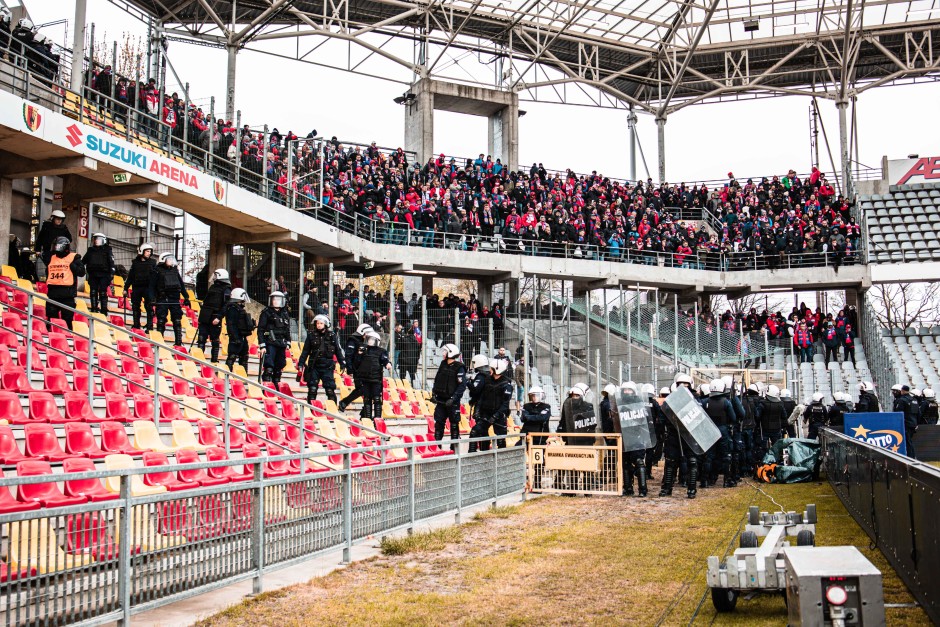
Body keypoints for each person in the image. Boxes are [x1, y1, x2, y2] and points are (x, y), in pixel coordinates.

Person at [298, 313, 346, 405]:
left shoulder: (332, 336)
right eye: (317, 323)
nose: (319, 325)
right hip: (314, 366)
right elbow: (305, 351)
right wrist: (301, 363)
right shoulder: (311, 336)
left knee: (330, 390)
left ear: (325, 324)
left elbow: (338, 351)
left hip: (327, 366)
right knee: (312, 389)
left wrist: (342, 363)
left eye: (321, 323)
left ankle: (332, 410)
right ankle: (311, 409)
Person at [469, 358, 513, 452]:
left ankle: (501, 460)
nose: (490, 370)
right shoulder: (487, 380)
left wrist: (495, 416)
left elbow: (505, 404)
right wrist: (477, 410)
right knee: (475, 432)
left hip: (499, 415)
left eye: (492, 369)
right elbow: (482, 397)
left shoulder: (506, 384)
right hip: (486, 413)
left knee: (501, 439)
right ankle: (472, 456)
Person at [44, 237, 85, 330]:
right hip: (53, 294)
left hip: (67, 295)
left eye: (58, 246)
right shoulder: (52, 258)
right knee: (51, 322)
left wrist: (73, 266)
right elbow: (48, 272)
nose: (56, 248)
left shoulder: (74, 258)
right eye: (55, 246)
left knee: (67, 322)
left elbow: (82, 272)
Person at [431, 343, 467, 448]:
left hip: (452, 402)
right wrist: (434, 394)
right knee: (439, 423)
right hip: (441, 401)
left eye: (445, 351)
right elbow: (437, 379)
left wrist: (453, 398)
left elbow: (462, 386)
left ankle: (454, 447)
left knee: (454, 424)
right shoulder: (443, 364)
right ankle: (437, 446)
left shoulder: (459, 367)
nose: (443, 353)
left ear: (450, 353)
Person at [705, 379, 737, 488]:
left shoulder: (705, 402)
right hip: (723, 431)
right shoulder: (726, 402)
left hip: (709, 430)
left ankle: (707, 480)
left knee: (709, 456)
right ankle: (726, 481)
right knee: (726, 456)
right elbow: (733, 417)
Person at [151, 253, 190, 346]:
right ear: (163, 260)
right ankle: (159, 342)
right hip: (162, 298)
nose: (172, 261)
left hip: (174, 299)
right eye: (169, 259)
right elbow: (151, 286)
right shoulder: (157, 271)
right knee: (161, 320)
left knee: (177, 320)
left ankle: (178, 342)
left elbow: (181, 285)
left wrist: (186, 297)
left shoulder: (175, 270)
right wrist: (152, 298)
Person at [351, 330, 389, 422]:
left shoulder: (381, 351)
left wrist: (388, 363)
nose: (370, 341)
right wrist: (359, 354)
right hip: (365, 379)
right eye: (368, 339)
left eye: (372, 339)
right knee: (367, 399)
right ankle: (367, 418)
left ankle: (377, 418)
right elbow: (356, 363)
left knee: (376, 398)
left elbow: (385, 360)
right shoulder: (363, 350)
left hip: (376, 379)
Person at [618, 381, 648, 497]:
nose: (627, 392)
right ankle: (628, 488)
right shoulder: (619, 403)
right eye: (625, 390)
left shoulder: (639, 404)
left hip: (637, 437)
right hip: (625, 437)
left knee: (639, 462)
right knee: (625, 464)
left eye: (629, 390)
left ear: (634, 392)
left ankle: (643, 489)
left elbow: (644, 421)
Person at [197, 268, 231, 362]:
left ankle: (214, 360)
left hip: (215, 316)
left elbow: (226, 305)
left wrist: (219, 317)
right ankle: (199, 358)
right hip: (205, 315)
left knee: (215, 339)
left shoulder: (226, 289)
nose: (214, 277)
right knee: (201, 337)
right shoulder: (212, 287)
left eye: (216, 275)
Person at [257, 291, 292, 384]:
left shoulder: (284, 313)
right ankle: (266, 386)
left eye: (278, 299)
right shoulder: (266, 313)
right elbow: (260, 330)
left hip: (281, 343)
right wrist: (262, 345)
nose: (276, 301)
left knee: (279, 368)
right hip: (270, 342)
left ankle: (276, 386)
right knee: (269, 367)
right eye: (274, 299)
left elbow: (287, 329)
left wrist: (288, 342)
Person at [338, 323, 373, 414]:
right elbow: (348, 356)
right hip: (356, 369)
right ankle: (345, 402)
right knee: (361, 389)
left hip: (365, 370)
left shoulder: (365, 341)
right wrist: (349, 369)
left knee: (366, 390)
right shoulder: (353, 341)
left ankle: (362, 411)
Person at [223, 288, 254, 372]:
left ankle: (243, 376)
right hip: (236, 336)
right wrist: (235, 337)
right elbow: (231, 324)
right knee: (232, 356)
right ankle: (227, 374)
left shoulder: (239, 308)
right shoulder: (232, 308)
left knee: (244, 356)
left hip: (242, 336)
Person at [127, 242, 156, 331]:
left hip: (148, 288)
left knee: (149, 307)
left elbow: (156, 276)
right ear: (142, 251)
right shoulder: (135, 263)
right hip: (137, 287)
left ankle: (149, 326)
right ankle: (136, 325)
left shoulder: (153, 262)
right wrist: (125, 288)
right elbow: (131, 276)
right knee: (135, 306)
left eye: (150, 251)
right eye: (147, 251)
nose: (149, 253)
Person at [83, 232, 114, 315]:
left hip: (104, 274)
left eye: (98, 239)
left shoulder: (107, 250)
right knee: (93, 291)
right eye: (95, 239)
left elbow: (111, 262)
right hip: (93, 274)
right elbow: (84, 261)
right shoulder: (91, 250)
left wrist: (111, 273)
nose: (96, 241)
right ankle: (94, 308)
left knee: (103, 292)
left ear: (103, 240)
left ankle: (104, 310)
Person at [756, 385, 787, 461]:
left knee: (763, 448)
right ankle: (776, 462)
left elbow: (757, 416)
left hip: (764, 429)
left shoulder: (762, 404)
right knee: (776, 447)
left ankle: (763, 463)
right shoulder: (780, 404)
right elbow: (784, 415)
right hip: (777, 429)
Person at [893, 385, 917, 459]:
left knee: (908, 442)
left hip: (905, 423)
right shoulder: (914, 400)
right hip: (913, 423)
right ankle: (912, 457)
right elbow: (918, 413)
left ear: (902, 391)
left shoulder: (902, 400)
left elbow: (898, 413)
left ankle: (910, 458)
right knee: (909, 441)